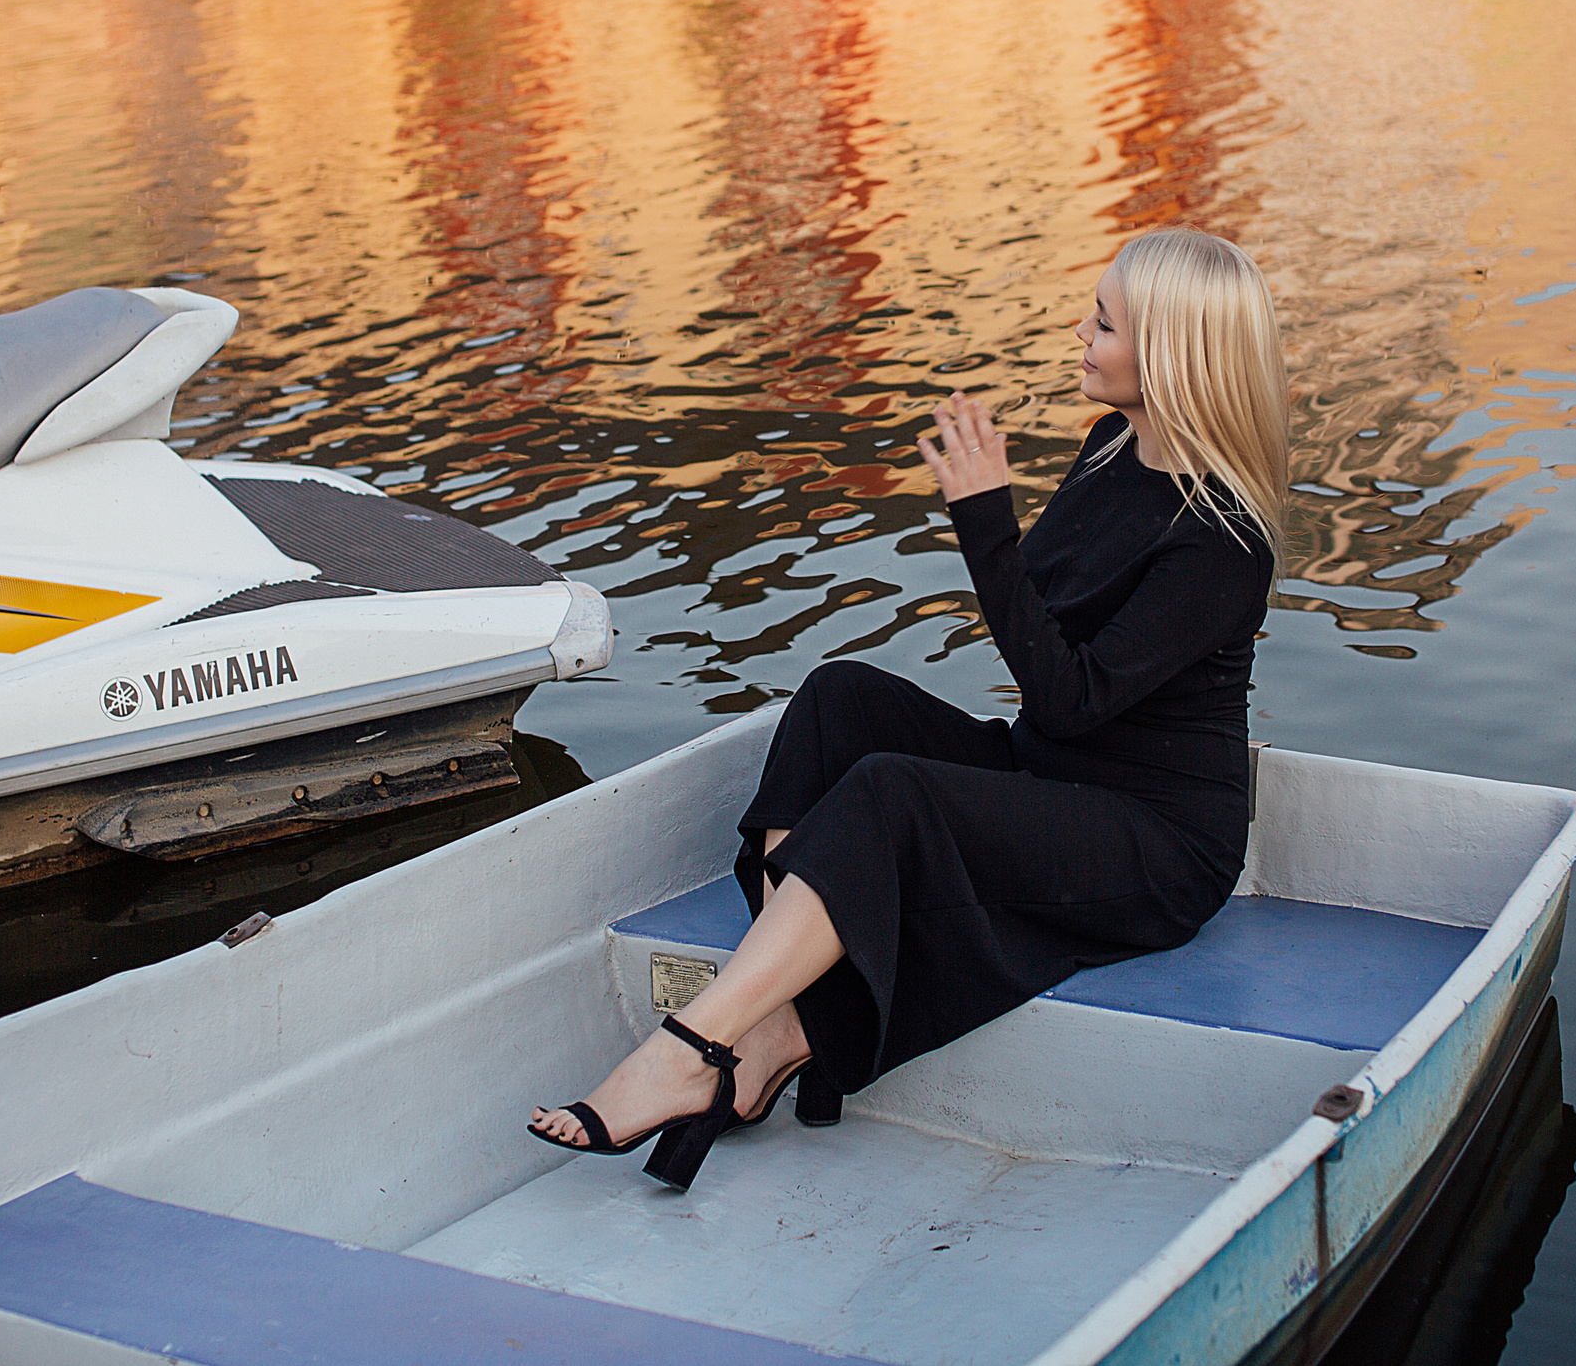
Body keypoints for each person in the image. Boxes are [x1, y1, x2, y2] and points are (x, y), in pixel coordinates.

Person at [528, 227, 1298, 1189]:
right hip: (1053, 771)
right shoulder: (1112, 449)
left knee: (891, 794)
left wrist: (985, 518)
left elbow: (1068, 698)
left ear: (1172, 354)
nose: (1079, 331)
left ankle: (690, 1049)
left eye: (1104, 322)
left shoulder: (1223, 538)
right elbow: (1045, 628)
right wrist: (993, 525)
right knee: (838, 700)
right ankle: (771, 1027)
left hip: (1155, 840)